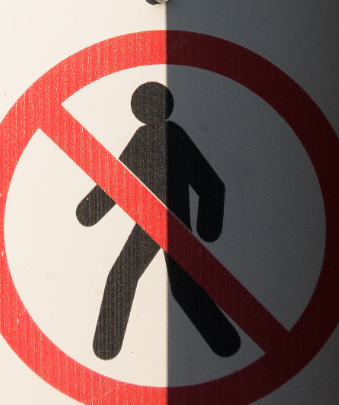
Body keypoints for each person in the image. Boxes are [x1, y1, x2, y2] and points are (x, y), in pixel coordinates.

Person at [76, 81, 241, 360]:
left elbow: (211, 184)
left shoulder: (173, 136)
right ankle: (225, 342)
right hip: (152, 222)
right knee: (139, 278)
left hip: (172, 227)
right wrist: (90, 210)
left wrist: (208, 227)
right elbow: (118, 180)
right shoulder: (146, 138)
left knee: (152, 281)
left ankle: (225, 342)